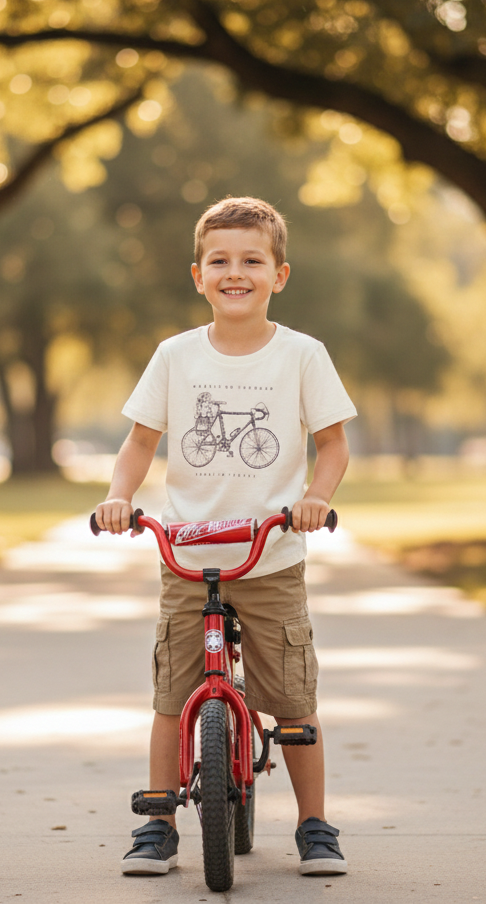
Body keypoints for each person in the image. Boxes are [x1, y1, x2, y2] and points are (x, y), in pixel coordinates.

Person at [94, 196, 356, 877]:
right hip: (188, 555)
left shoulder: (302, 355)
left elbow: (331, 445)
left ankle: (314, 825)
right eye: (220, 261)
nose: (235, 272)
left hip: (269, 556)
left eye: (251, 261)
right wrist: (120, 496)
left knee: (294, 697)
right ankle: (157, 823)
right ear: (198, 275)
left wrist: (314, 499)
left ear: (280, 274)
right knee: (173, 690)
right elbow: (139, 442)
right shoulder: (175, 356)